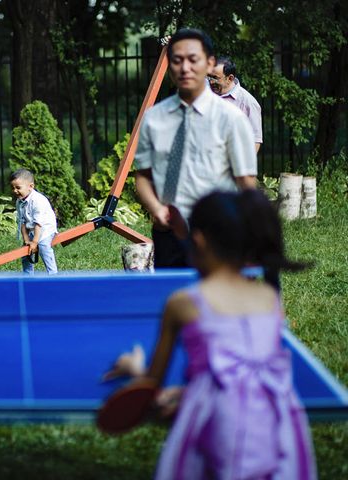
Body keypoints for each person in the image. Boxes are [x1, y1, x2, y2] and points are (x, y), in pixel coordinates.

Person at [106, 190, 317, 480]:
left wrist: (134, 369)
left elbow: (150, 390)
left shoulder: (182, 303)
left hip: (216, 430)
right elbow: (246, 375)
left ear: (199, 239)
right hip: (277, 427)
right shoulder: (270, 299)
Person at [135, 28, 257, 268]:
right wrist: (157, 209)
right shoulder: (154, 118)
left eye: (193, 59)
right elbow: (143, 177)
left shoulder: (232, 118)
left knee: (215, 303)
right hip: (169, 231)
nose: (185, 67)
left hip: (217, 230)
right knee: (175, 302)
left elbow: (246, 182)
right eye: (177, 60)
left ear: (209, 63)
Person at [209, 56, 263, 152]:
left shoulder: (248, 102)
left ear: (230, 78)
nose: (211, 82)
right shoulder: (205, 94)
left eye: (215, 78)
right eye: (209, 76)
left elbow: (255, 141)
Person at [10, 169, 58, 274]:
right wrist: (27, 240)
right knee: (25, 251)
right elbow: (22, 221)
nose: (15, 191)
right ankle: (28, 276)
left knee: (43, 246)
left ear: (31, 186)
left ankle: (53, 274)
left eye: (18, 188)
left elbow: (38, 224)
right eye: (13, 188)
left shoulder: (38, 201)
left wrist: (35, 242)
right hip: (32, 229)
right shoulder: (19, 201)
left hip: (45, 229)